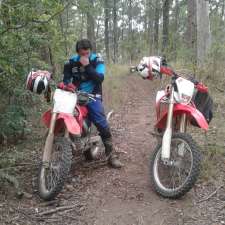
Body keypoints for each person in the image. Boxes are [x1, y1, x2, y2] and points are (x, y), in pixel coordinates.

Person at [62, 39, 123, 168]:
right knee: (68, 116)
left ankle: (111, 155)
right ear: (78, 52)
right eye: (82, 53)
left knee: (101, 122)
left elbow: (100, 78)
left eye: (87, 53)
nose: (85, 55)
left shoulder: (97, 60)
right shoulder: (71, 62)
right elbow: (66, 79)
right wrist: (68, 85)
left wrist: (88, 66)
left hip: (93, 96)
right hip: (75, 96)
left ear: (90, 51)